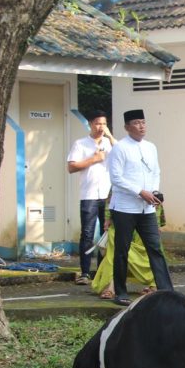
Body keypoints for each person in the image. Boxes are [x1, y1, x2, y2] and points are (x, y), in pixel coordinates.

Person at [107, 109, 173, 306]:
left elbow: (156, 172)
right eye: (136, 122)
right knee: (122, 250)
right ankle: (120, 292)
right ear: (127, 127)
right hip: (125, 208)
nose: (141, 126)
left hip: (147, 208)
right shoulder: (119, 148)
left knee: (155, 248)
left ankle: (166, 291)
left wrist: (154, 191)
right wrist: (140, 191)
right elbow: (116, 178)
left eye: (143, 122)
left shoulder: (151, 147)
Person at [67, 109, 115, 285]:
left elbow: (123, 155)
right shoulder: (80, 144)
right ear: (90, 124)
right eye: (97, 123)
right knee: (87, 234)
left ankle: (101, 271)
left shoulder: (110, 143)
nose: (101, 127)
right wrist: (94, 159)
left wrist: (110, 137)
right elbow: (71, 167)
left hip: (108, 196)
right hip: (88, 195)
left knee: (106, 234)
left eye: (103, 123)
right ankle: (85, 272)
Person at [92, 196, 162, 300]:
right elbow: (112, 195)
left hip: (145, 218)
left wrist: (156, 223)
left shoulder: (148, 180)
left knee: (147, 253)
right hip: (121, 217)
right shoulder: (120, 180)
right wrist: (107, 217)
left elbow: (156, 198)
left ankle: (154, 284)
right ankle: (111, 287)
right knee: (114, 255)